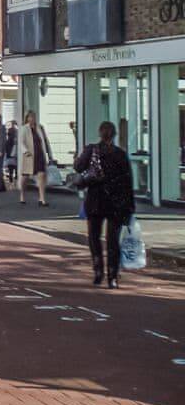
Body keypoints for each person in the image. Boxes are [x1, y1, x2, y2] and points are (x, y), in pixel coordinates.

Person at [74, 121, 135, 288]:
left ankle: (98, 271)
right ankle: (112, 277)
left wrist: (80, 156)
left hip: (95, 200)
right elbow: (127, 181)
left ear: (100, 133)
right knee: (113, 240)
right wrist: (129, 206)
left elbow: (78, 167)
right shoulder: (120, 154)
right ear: (114, 135)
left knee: (94, 237)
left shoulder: (91, 150)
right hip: (115, 202)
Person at [16, 111, 53, 206]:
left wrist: (49, 154)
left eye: (33, 117)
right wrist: (25, 151)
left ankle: (42, 199)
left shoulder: (40, 128)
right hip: (29, 156)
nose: (32, 119)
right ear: (27, 118)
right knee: (25, 177)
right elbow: (21, 142)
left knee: (42, 175)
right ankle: (22, 195)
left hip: (40, 154)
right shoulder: (24, 128)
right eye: (30, 117)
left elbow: (45, 141)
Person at [5, 120, 19, 184]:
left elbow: (8, 140)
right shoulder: (18, 131)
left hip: (10, 150)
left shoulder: (11, 130)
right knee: (16, 165)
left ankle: (11, 178)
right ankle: (15, 177)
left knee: (11, 165)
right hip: (15, 151)